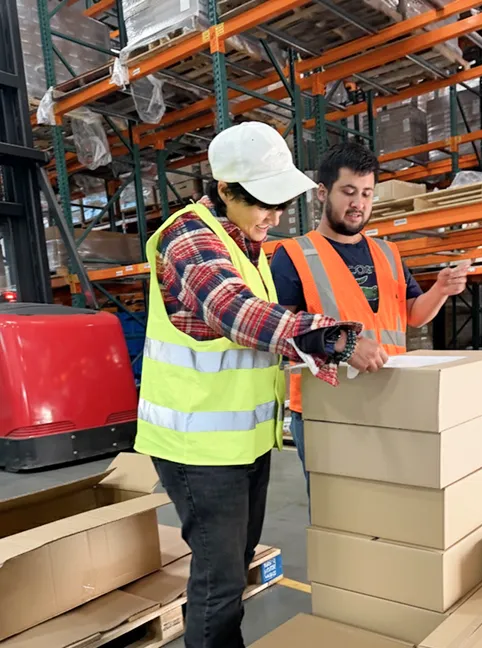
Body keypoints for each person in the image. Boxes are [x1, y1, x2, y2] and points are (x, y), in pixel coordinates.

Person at [134, 122, 387, 648]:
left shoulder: (247, 243)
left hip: (243, 444)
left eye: (278, 204)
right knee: (220, 580)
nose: (272, 217)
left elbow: (260, 340)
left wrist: (312, 357)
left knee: (235, 565)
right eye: (260, 204)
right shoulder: (190, 236)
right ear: (224, 189)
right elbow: (234, 313)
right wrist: (332, 340)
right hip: (197, 448)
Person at [271, 142, 470, 501]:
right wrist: (343, 348)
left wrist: (440, 290)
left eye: (366, 193)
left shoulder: (387, 252)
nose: (358, 203)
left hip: (391, 396)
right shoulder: (294, 256)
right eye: (348, 192)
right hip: (328, 407)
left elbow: (413, 314)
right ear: (322, 193)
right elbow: (281, 335)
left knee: (392, 504)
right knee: (340, 511)